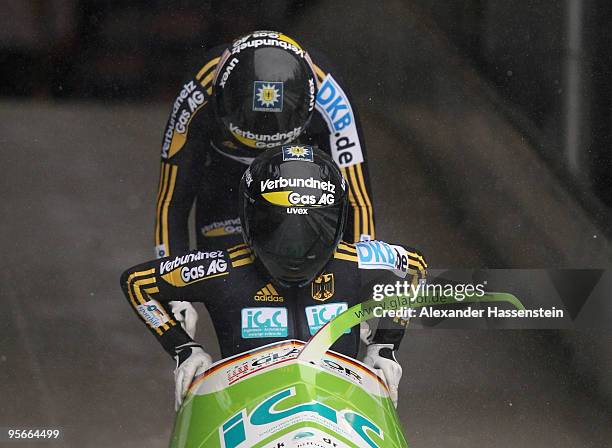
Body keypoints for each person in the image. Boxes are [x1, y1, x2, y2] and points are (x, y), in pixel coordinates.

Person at [121, 146, 426, 409]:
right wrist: (184, 349)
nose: (295, 247)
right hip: (246, 412)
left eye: (311, 230)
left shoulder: (355, 263)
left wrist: (384, 346)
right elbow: (137, 283)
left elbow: (414, 267)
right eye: (279, 229)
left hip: (336, 411)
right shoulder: (223, 269)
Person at [153, 30, 376, 339]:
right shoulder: (198, 95)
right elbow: (172, 201)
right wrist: (173, 292)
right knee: (234, 295)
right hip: (225, 181)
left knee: (316, 285)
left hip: (301, 183)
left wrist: (361, 287)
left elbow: (358, 199)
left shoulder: (330, 97)